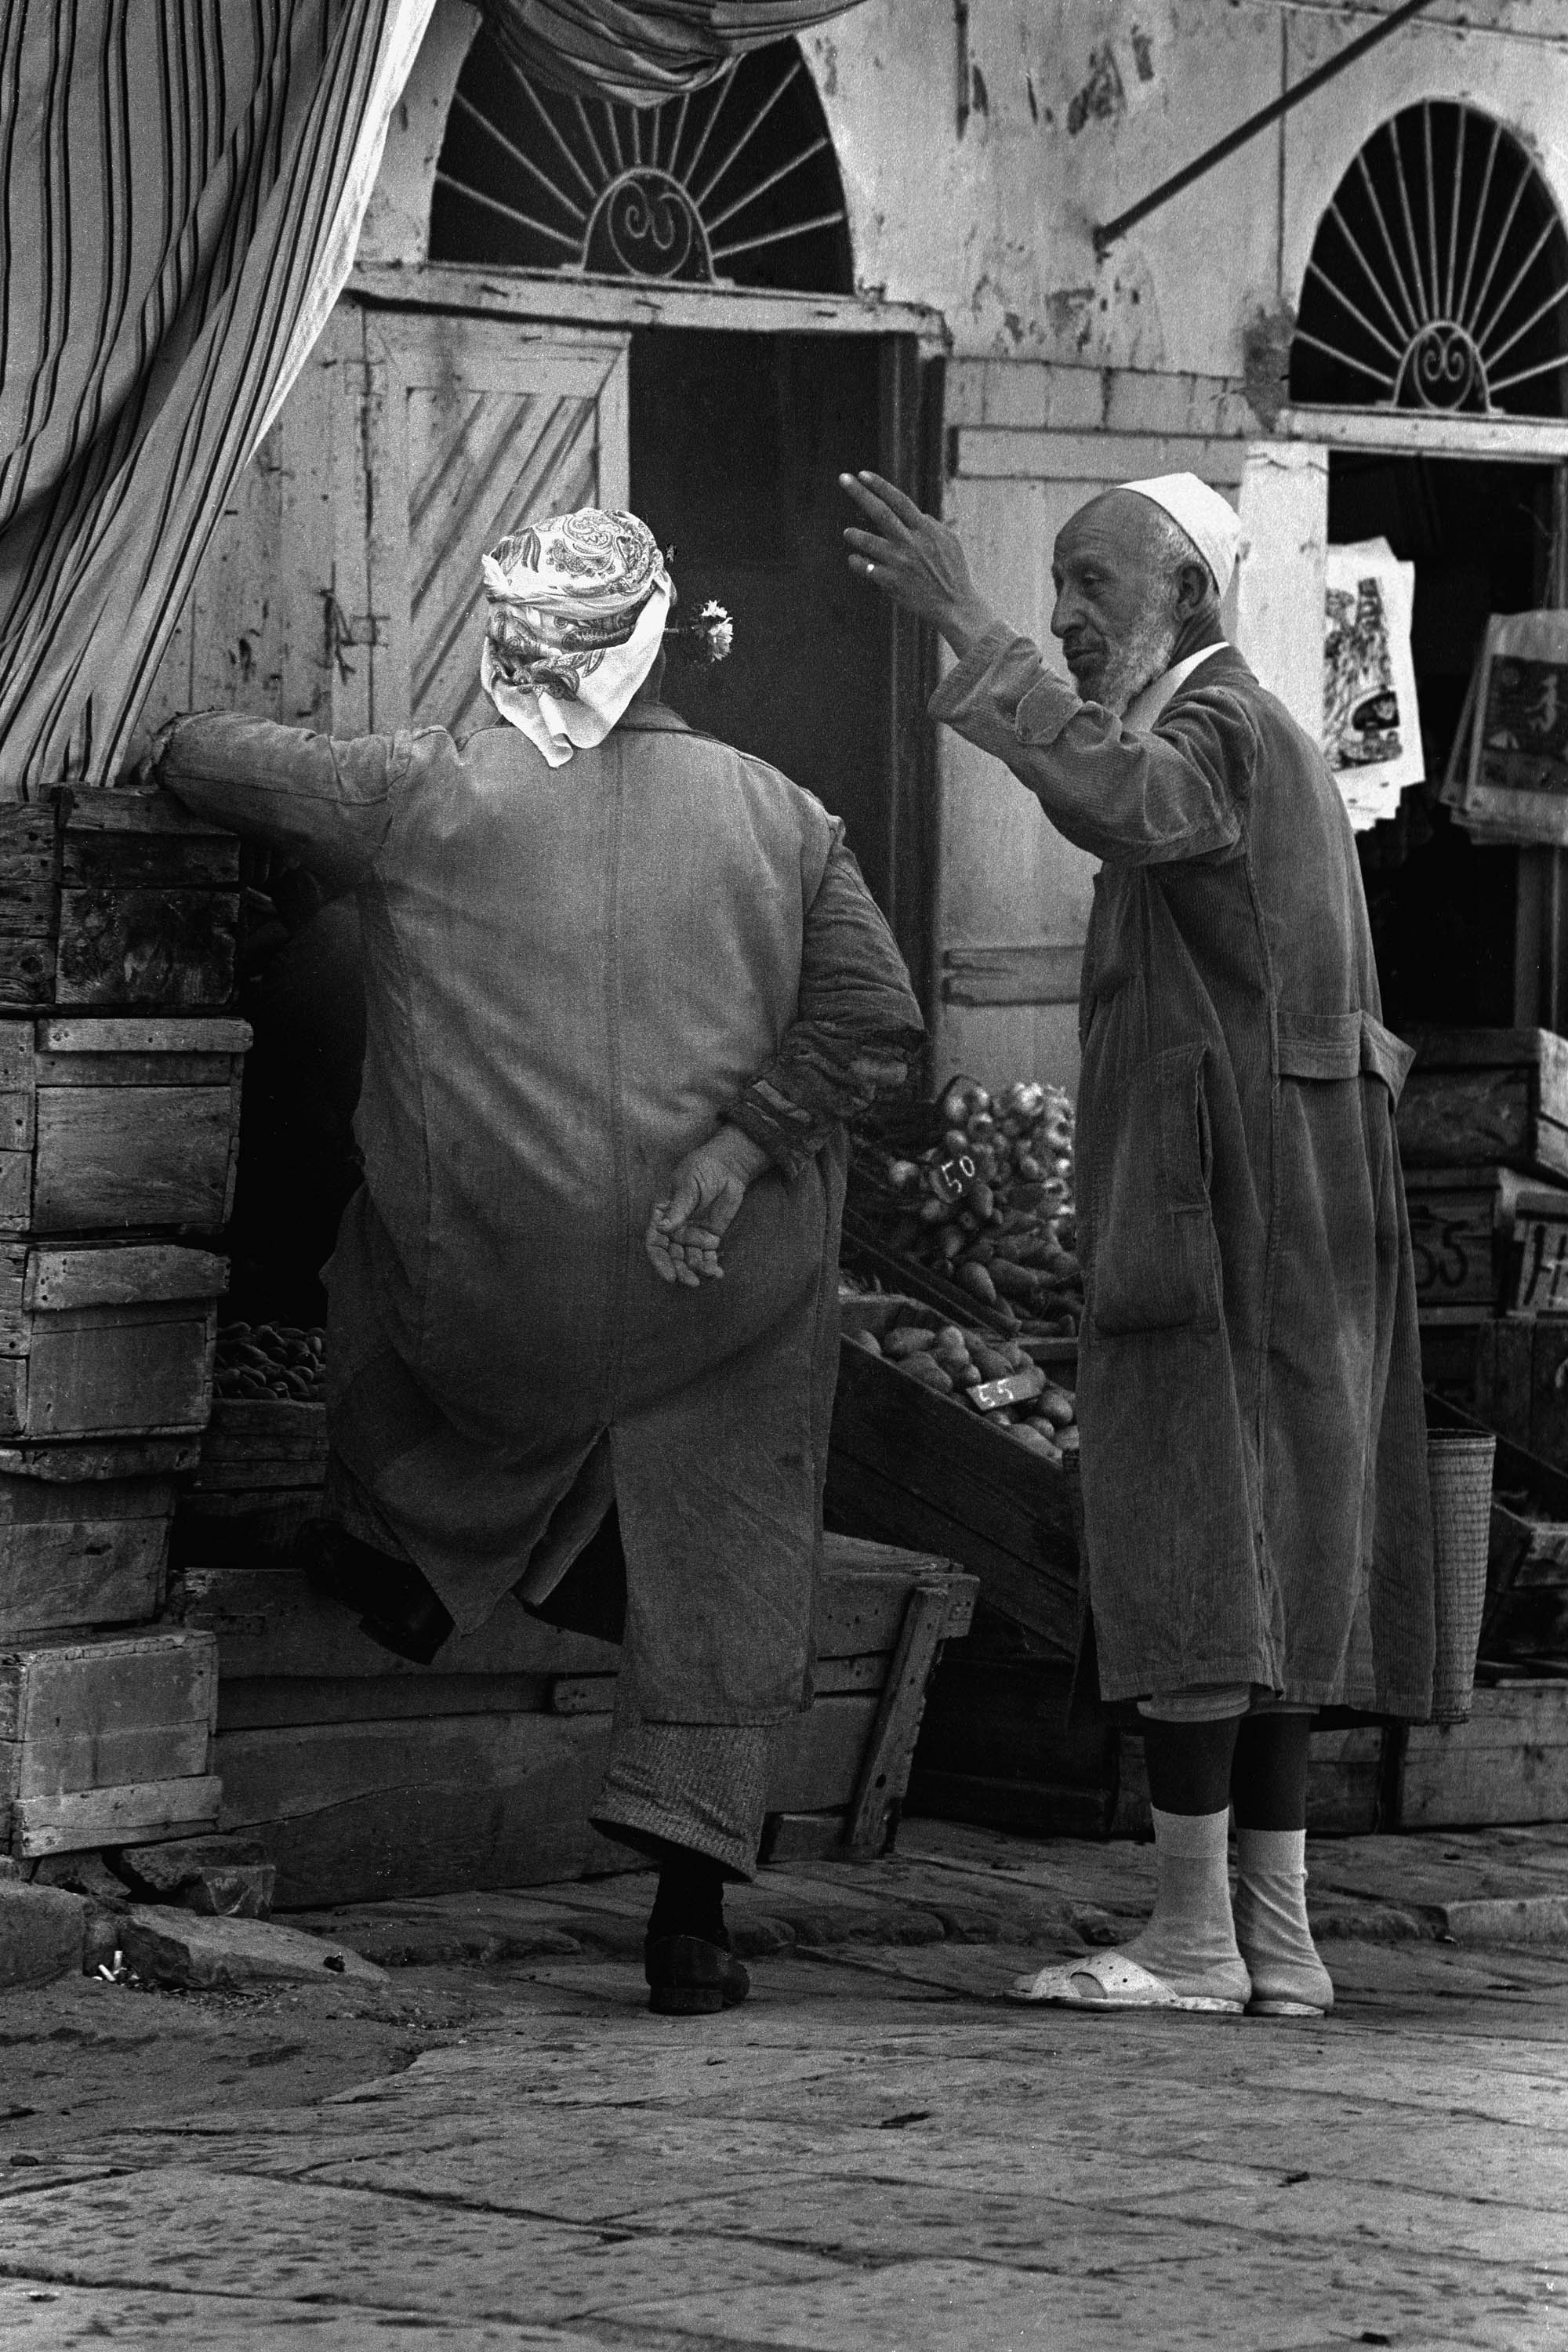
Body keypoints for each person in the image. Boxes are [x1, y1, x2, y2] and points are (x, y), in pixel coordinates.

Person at [153, 507, 924, 2016]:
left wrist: (178, 709)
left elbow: (201, 753)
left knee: (369, 1231)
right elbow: (878, 1020)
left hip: (485, 1307)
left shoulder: (424, 793)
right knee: (722, 1486)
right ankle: (692, 1907)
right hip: (715, 1294)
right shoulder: (786, 814)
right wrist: (742, 1139)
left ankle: (414, 1556)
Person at [842, 466, 1435, 2018]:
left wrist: (965, 626)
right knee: (1271, 1565)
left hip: (1225, 1216)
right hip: (1289, 1216)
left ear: (1184, 596)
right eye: (1053, 583)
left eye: (1091, 582)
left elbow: (1120, 794)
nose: (1064, 609)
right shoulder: (1265, 737)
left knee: (1192, 1546)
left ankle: (1191, 1937)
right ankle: (1275, 1939)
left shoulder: (1221, 732)